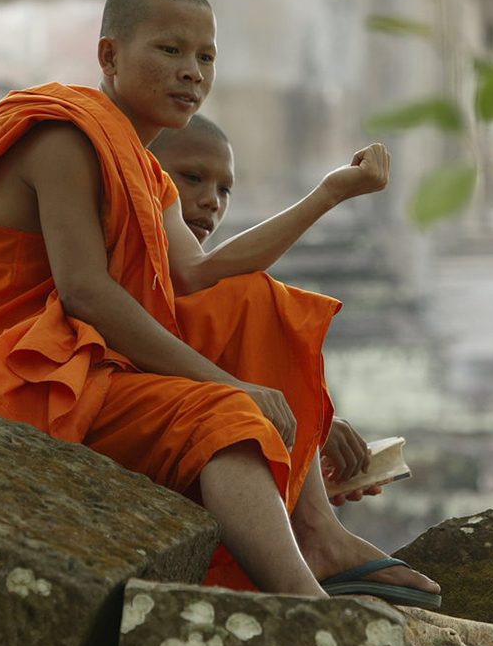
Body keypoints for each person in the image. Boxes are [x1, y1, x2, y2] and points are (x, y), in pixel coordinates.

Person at [0, 0, 438, 606]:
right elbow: (86, 293)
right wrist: (228, 384)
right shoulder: (64, 138)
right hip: (16, 378)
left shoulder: (146, 172)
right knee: (228, 416)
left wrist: (328, 195)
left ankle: (318, 530)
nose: (192, 72)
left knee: (252, 298)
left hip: (81, 362)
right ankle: (304, 603)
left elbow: (200, 274)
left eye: (205, 57)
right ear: (109, 56)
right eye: (169, 51)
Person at [147, 114, 383, 506]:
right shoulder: (141, 267)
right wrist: (328, 194)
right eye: (192, 178)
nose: (212, 201)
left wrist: (312, 436)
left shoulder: (199, 294)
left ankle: (315, 524)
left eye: (225, 191)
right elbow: (198, 275)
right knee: (251, 293)